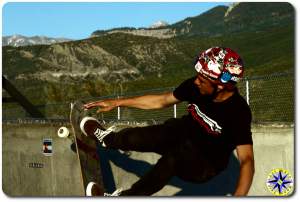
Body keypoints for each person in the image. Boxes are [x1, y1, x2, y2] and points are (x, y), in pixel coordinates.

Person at [80, 47, 255, 196]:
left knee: (173, 158)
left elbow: (247, 160)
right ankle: (108, 139)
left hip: (204, 164)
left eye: (202, 80)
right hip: (182, 134)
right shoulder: (195, 86)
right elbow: (161, 101)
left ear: (220, 86)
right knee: (147, 135)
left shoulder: (238, 112)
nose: (196, 82)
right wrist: (117, 102)